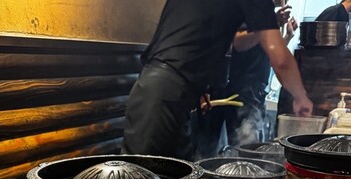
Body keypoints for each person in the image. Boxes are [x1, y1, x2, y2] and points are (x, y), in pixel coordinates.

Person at [122, 0, 313, 161]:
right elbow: (280, 59)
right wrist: (301, 97)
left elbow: (193, 34)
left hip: (162, 90)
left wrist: (201, 86)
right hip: (163, 96)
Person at [224, 6, 298, 147]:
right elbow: (238, 42)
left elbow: (269, 54)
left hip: (258, 93)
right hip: (242, 91)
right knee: (243, 147)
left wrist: (288, 36)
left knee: (254, 147)